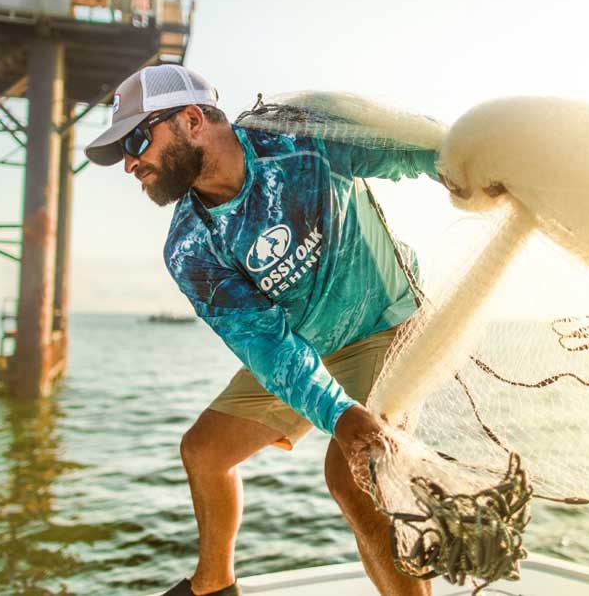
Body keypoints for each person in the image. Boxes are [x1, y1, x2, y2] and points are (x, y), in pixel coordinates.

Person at [85, 65, 440, 596]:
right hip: (302, 341)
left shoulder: (299, 138)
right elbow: (267, 345)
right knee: (204, 452)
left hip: (385, 322)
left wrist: (459, 165)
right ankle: (214, 585)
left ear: (190, 119)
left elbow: (404, 151)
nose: (132, 163)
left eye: (138, 140)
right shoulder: (189, 247)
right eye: (124, 153)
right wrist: (338, 412)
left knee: (352, 473)